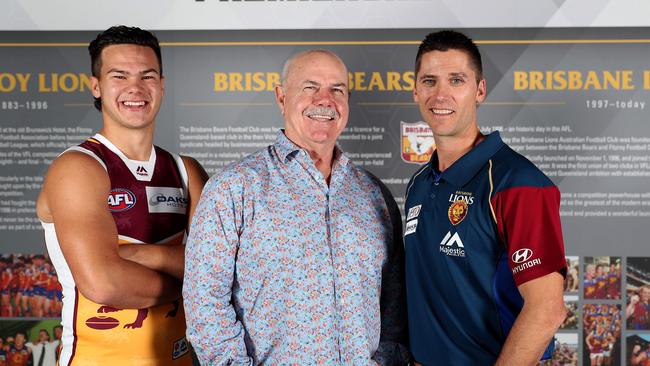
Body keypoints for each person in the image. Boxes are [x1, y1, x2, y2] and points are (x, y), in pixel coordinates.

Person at [183, 49, 409, 365]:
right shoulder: (234, 188)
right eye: (310, 87)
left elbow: (394, 307)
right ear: (281, 97)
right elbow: (204, 301)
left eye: (337, 90)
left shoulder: (374, 195)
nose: (325, 99)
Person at [36, 25, 208, 365]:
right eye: (120, 76)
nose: (135, 88)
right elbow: (103, 284)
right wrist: (190, 282)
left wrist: (143, 256)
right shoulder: (79, 167)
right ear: (96, 87)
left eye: (147, 76)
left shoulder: (186, 171)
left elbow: (224, 270)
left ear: (162, 85)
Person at [403, 30, 567, 365]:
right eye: (430, 81)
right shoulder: (418, 184)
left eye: (457, 80)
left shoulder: (516, 182)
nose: (441, 94)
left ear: (479, 90)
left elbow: (547, 310)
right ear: (416, 91)